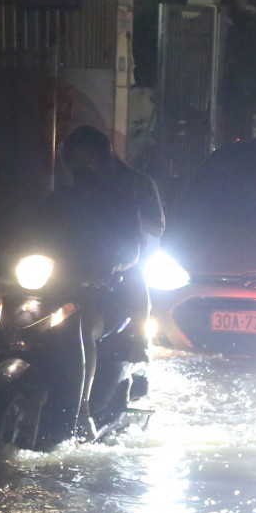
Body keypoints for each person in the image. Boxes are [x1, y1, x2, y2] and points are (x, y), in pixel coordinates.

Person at [45, 126, 164, 424]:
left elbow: (143, 235)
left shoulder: (129, 189)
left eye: (89, 158)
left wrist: (113, 264)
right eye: (77, 158)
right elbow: (32, 230)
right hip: (73, 274)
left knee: (136, 282)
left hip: (116, 271)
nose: (83, 165)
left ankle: (137, 349)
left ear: (103, 157)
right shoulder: (62, 196)